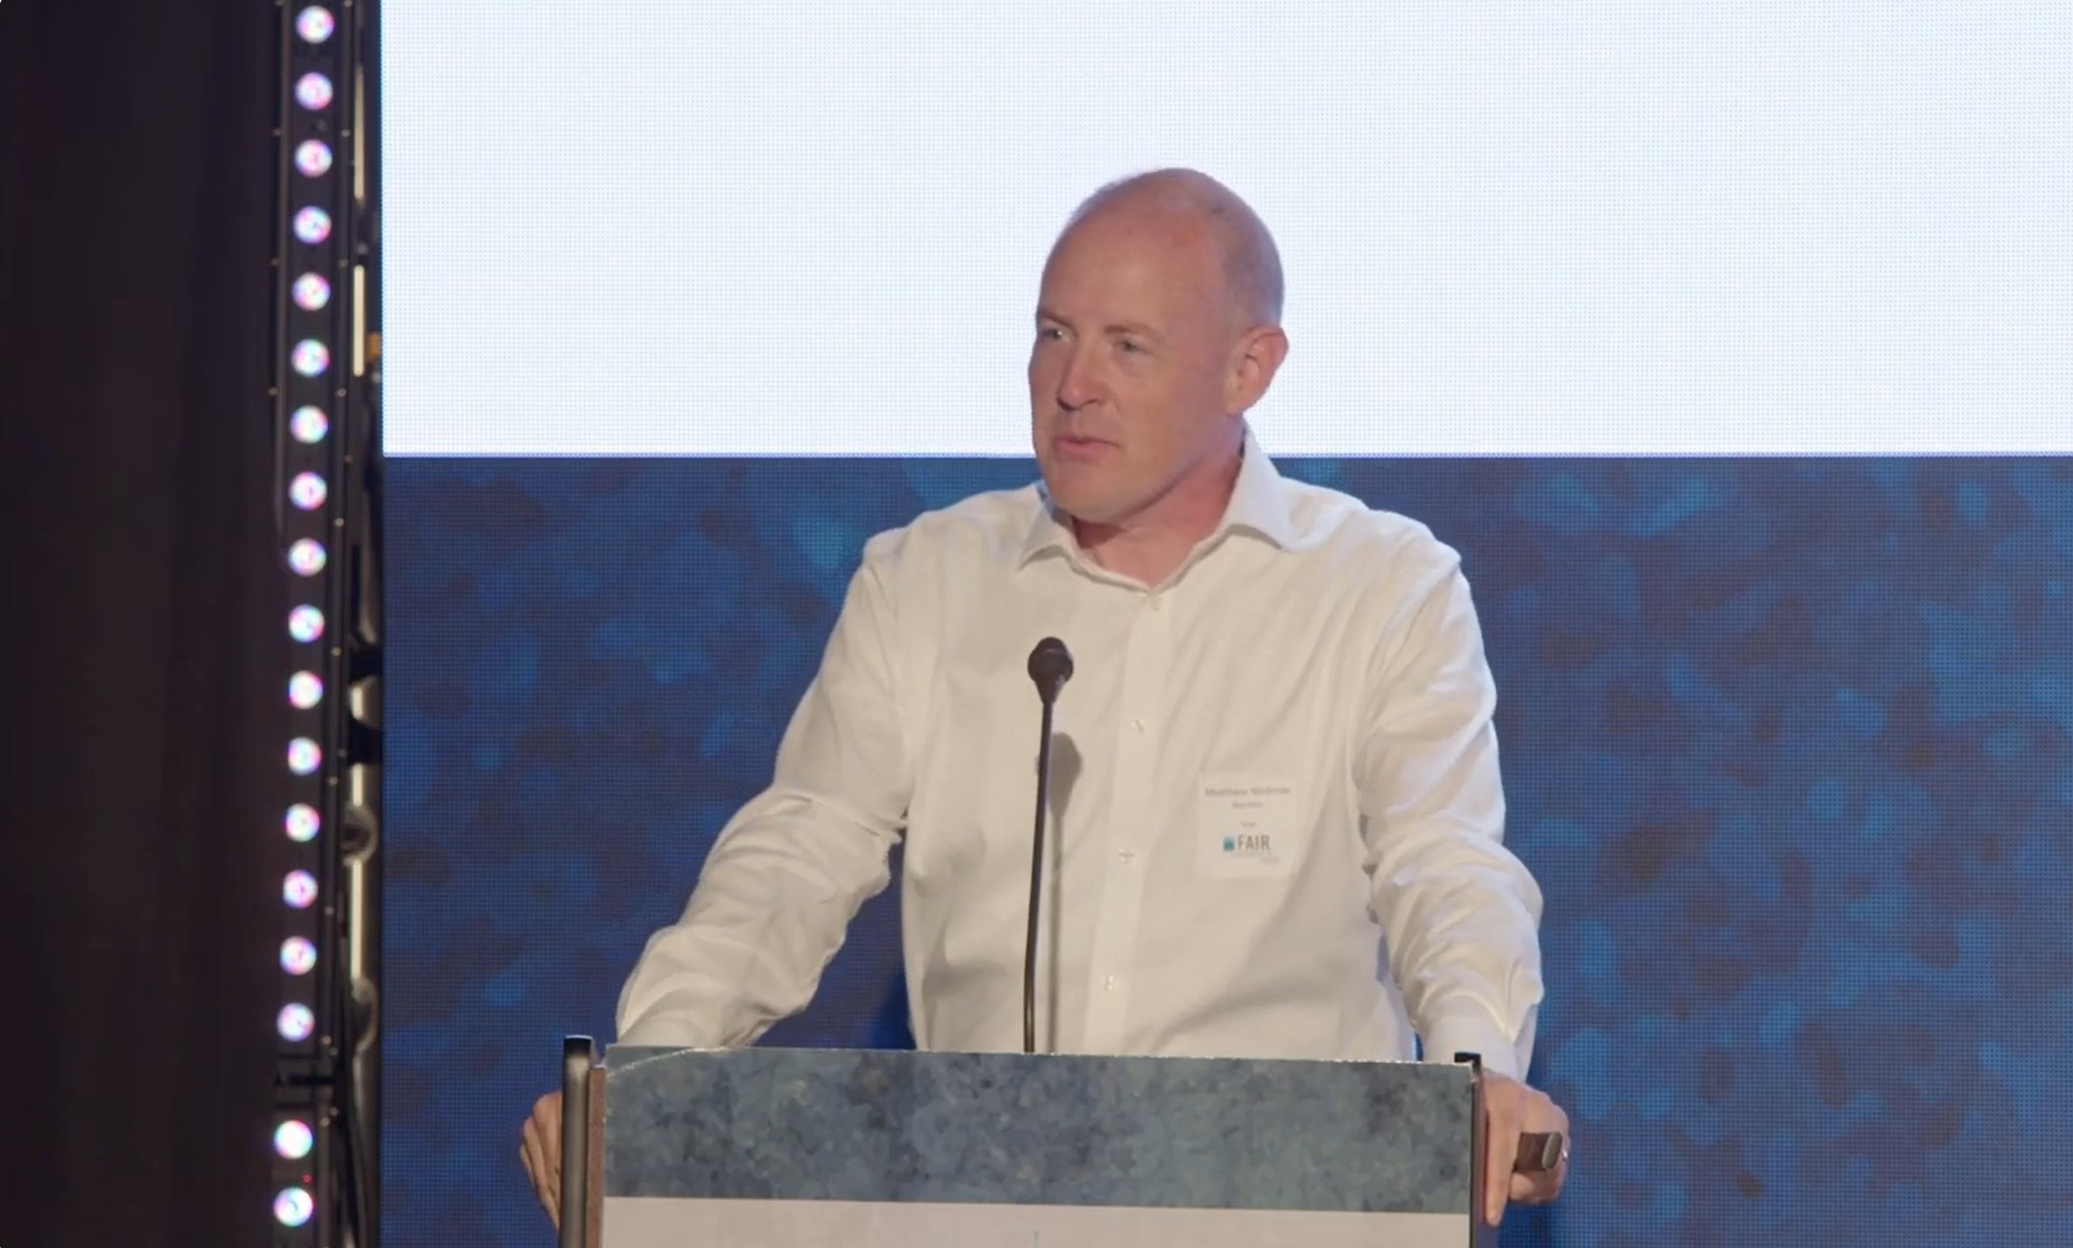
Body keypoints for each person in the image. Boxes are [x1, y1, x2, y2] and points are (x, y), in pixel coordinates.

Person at [521, 168, 1570, 1226]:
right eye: (1053, 334)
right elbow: (802, 848)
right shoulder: (928, 581)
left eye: (1128, 346)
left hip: (1289, 1210)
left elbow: (1444, 865)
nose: (1073, 385)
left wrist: (1473, 1069)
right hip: (981, 1210)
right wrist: (650, 1071)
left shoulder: (1381, 589)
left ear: (1246, 368)